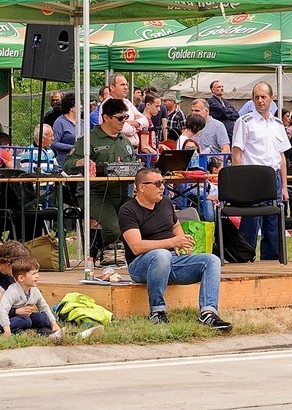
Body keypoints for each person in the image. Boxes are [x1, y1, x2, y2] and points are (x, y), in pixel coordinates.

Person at [119, 167, 231, 330]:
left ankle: (208, 313)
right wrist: (172, 242)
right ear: (141, 187)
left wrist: (183, 241)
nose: (162, 187)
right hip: (141, 265)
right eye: (157, 184)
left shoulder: (165, 203)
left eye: (163, 183)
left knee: (211, 260)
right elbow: (136, 247)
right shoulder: (128, 210)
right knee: (161, 255)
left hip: (171, 261)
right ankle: (157, 311)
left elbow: (175, 225)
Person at [63, 98, 139, 259]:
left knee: (141, 220)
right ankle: (101, 250)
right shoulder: (89, 139)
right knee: (113, 228)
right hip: (95, 194)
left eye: (125, 117)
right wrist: (80, 161)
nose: (123, 122)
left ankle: (125, 254)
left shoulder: (124, 140)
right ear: (106, 117)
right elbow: (67, 165)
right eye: (120, 118)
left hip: (121, 193)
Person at [231, 82, 290, 261]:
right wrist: (240, 182)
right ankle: (244, 258)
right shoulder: (244, 122)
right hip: (252, 177)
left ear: (271, 98)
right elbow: (236, 154)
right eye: (256, 97)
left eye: (264, 97)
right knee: (250, 221)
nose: (260, 100)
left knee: (273, 222)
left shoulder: (278, 124)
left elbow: (282, 157)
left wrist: (285, 186)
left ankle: (272, 260)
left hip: (273, 176)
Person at [0, 256, 62, 338]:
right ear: (21, 278)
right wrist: (6, 328)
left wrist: (53, 323)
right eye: (33, 274)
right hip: (12, 320)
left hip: (27, 318)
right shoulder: (13, 291)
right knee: (25, 321)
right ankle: (0, 329)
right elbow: (2, 310)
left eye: (37, 272)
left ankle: (44, 331)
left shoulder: (35, 290)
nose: (37, 276)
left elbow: (44, 306)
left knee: (42, 316)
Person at [51, 91, 79, 167]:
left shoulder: (82, 123)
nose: (81, 107)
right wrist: (72, 147)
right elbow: (53, 143)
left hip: (80, 163)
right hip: (64, 163)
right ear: (71, 108)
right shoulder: (60, 122)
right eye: (78, 104)